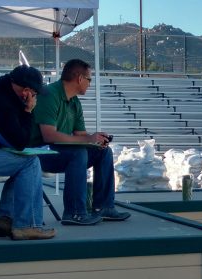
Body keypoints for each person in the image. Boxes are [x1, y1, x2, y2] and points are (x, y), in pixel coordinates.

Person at [31, 59, 130, 225]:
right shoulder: (49, 95)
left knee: (103, 151)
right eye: (89, 79)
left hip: (57, 151)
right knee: (77, 154)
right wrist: (88, 139)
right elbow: (49, 136)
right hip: (37, 152)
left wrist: (96, 140)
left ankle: (104, 207)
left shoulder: (75, 102)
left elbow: (82, 136)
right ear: (79, 78)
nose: (90, 84)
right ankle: (74, 212)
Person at [0, 65, 56, 240]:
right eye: (35, 93)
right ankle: (26, 225)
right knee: (29, 161)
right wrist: (28, 110)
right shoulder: (1, 101)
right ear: (26, 91)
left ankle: (5, 219)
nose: (35, 97)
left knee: (22, 163)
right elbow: (20, 142)